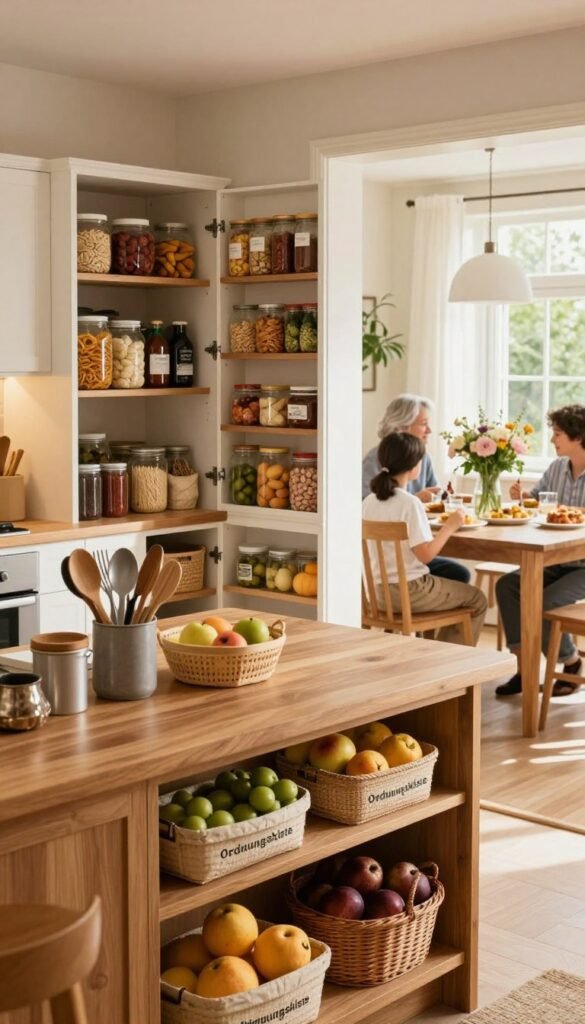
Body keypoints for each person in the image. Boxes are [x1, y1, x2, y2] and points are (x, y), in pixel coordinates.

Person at [362, 432, 487, 646]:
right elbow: (426, 556)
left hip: (376, 594)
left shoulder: (368, 502)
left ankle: (431, 651)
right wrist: (450, 527)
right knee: (477, 599)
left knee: (456, 577)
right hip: (410, 593)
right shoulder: (410, 503)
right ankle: (448, 663)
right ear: (414, 468)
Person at [495, 404, 585, 697]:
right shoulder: (557, 467)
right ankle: (525, 670)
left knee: (544, 601)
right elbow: (535, 503)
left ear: (578, 436)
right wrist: (521, 498)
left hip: (582, 563)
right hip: (555, 559)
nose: (552, 440)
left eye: (557, 433)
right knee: (508, 586)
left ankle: (569, 662)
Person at [362, 393, 471, 583]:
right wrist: (416, 498)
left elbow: (435, 496)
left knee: (458, 573)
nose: (429, 430)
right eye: (423, 424)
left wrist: (441, 497)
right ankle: (418, 605)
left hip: (413, 549)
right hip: (391, 561)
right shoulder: (375, 460)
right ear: (402, 426)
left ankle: (415, 608)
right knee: (462, 583)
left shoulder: (423, 456)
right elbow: (370, 510)